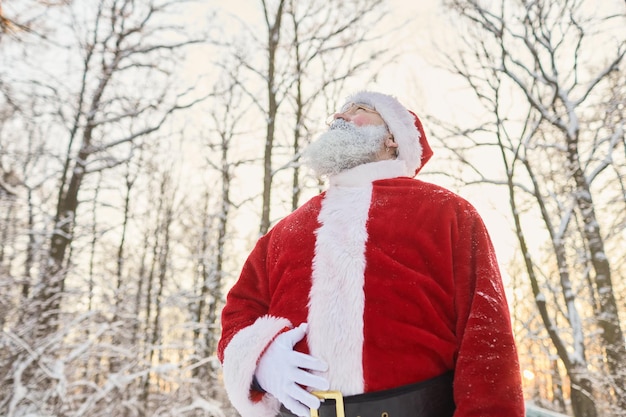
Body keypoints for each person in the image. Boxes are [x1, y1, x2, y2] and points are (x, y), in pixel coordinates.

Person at [217, 91, 525, 417]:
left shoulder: (450, 214)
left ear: (393, 138)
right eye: (339, 111)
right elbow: (239, 314)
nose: (339, 117)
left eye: (359, 109)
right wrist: (260, 361)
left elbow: (487, 340)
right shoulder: (284, 232)